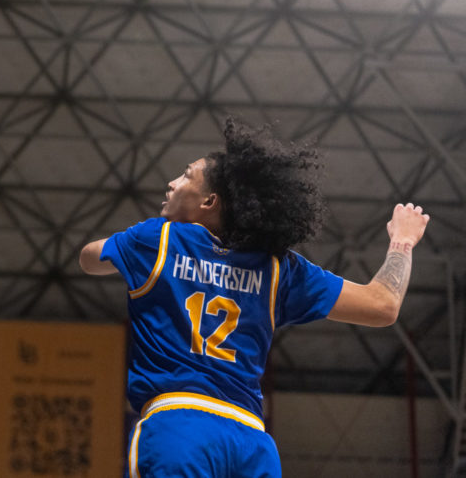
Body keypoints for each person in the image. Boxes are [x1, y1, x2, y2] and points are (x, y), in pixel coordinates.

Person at [78, 118, 430, 477]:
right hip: (251, 442)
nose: (172, 183)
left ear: (209, 201)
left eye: (185, 176)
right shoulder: (279, 268)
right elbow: (383, 306)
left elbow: (89, 259)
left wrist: (128, 253)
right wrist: (402, 242)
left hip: (178, 426)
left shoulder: (158, 240)